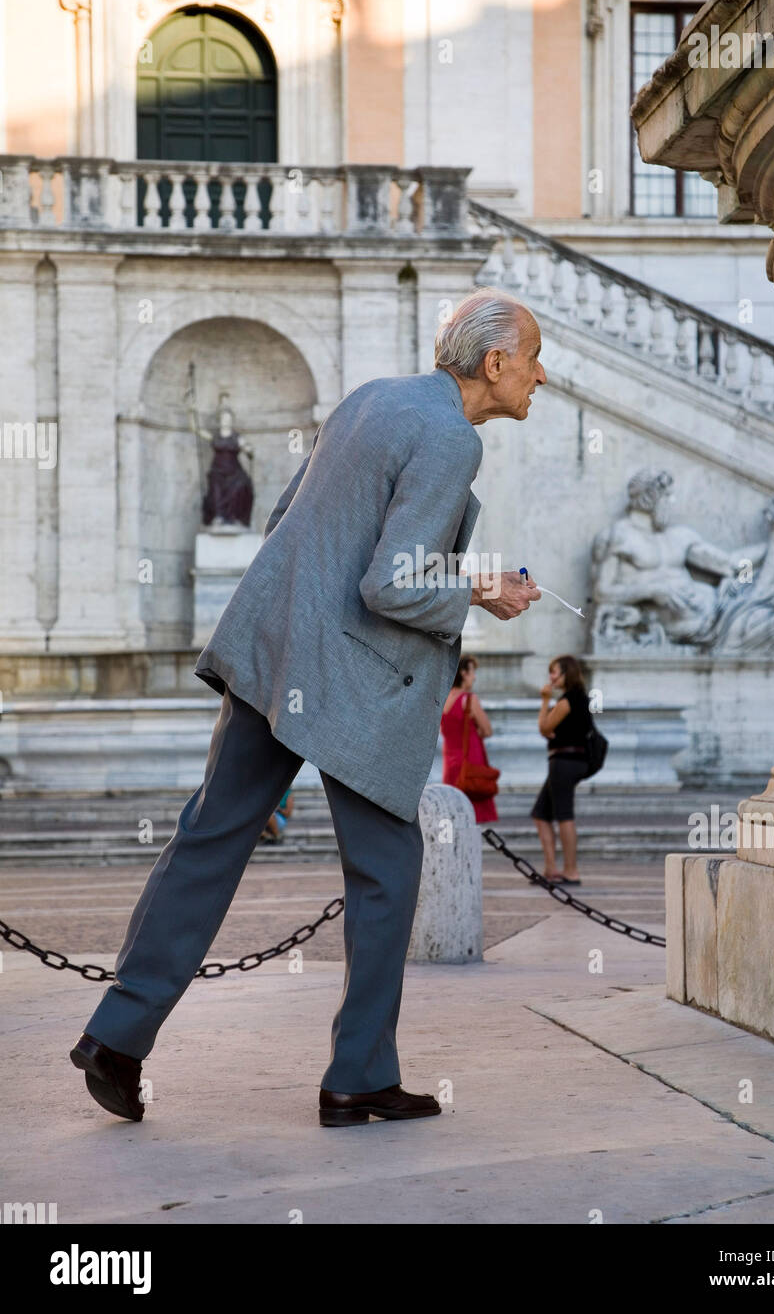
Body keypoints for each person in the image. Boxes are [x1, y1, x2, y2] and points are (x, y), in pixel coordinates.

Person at [70, 286, 545, 1129]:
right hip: (351, 682)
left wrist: (293, 622)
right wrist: (483, 589)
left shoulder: (371, 398)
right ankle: (359, 1075)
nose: (541, 377)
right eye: (534, 358)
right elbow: (390, 584)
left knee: (208, 838)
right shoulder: (449, 436)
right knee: (388, 872)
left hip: (272, 646)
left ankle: (116, 1036)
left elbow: (288, 516)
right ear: (495, 362)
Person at [531, 655, 591, 886]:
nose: (551, 677)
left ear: (567, 674)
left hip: (564, 762)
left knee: (564, 815)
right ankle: (551, 868)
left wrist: (545, 700)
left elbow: (544, 727)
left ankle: (571, 870)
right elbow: (549, 731)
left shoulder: (567, 700)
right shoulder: (580, 698)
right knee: (541, 813)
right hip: (570, 761)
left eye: (554, 672)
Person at [440, 655, 497, 824]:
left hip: (450, 761)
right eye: (472, 672)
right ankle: (471, 848)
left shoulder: (444, 698)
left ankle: (453, 847)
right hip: (470, 759)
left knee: (452, 810)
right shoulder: (469, 699)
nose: (474, 676)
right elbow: (487, 730)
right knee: (473, 810)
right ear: (463, 673)